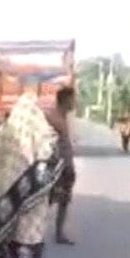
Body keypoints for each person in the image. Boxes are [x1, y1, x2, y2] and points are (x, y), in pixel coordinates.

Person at [0, 93, 64, 258]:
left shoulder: (8, 132)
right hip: (33, 190)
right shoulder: (42, 133)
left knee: (11, 230)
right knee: (28, 232)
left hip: (9, 192)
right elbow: (51, 156)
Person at [46, 86, 77, 245]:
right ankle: (31, 233)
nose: (75, 102)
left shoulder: (64, 117)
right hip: (55, 166)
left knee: (64, 200)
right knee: (45, 200)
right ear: (65, 100)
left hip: (65, 165)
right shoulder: (52, 117)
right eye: (72, 99)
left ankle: (59, 233)